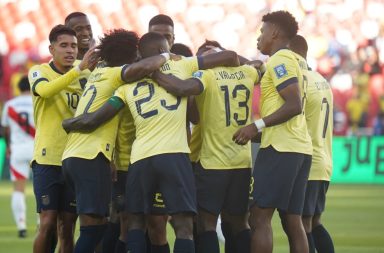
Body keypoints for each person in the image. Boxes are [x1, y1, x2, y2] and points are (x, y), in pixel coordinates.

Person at [62, 32, 240, 253]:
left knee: (135, 223)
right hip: (175, 155)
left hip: (140, 159)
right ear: (161, 51)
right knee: (183, 226)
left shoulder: (125, 85)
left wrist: (69, 123)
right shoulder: (182, 65)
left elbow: (96, 118)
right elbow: (229, 56)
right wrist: (249, 66)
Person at [61, 29, 177, 253]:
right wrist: (167, 55)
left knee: (98, 226)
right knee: (93, 230)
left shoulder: (99, 74)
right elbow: (144, 67)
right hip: (90, 156)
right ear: (132, 52)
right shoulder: (117, 74)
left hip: (75, 155)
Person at [150, 39, 262, 253]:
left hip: (213, 162)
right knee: (239, 222)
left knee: (205, 224)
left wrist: (152, 72)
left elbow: (182, 88)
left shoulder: (206, 76)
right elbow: (260, 68)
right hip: (242, 161)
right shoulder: (247, 73)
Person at [232, 11, 313, 253]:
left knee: (259, 217)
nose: (259, 37)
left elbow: (293, 105)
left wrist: (254, 126)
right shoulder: (298, 61)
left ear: (275, 33)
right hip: (300, 148)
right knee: (293, 220)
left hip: (281, 148)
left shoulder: (281, 60)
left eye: (262, 31)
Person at [27, 24, 98, 253]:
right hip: (47, 158)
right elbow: (45, 91)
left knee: (67, 227)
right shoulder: (39, 71)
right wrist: (77, 71)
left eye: (74, 46)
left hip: (74, 160)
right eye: (64, 45)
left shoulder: (85, 71)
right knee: (47, 222)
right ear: (51, 48)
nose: (70, 51)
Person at [288, 34, 335, 253]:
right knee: (314, 222)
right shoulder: (322, 80)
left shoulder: (300, 81)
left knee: (302, 224)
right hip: (324, 160)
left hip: (308, 161)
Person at [0, 76, 34, 238]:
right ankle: (43, 224)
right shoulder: (38, 101)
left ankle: (21, 226)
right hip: (38, 149)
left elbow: (5, 130)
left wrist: (8, 147)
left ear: (19, 88)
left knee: (19, 189)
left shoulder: (9, 105)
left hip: (18, 149)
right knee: (42, 189)